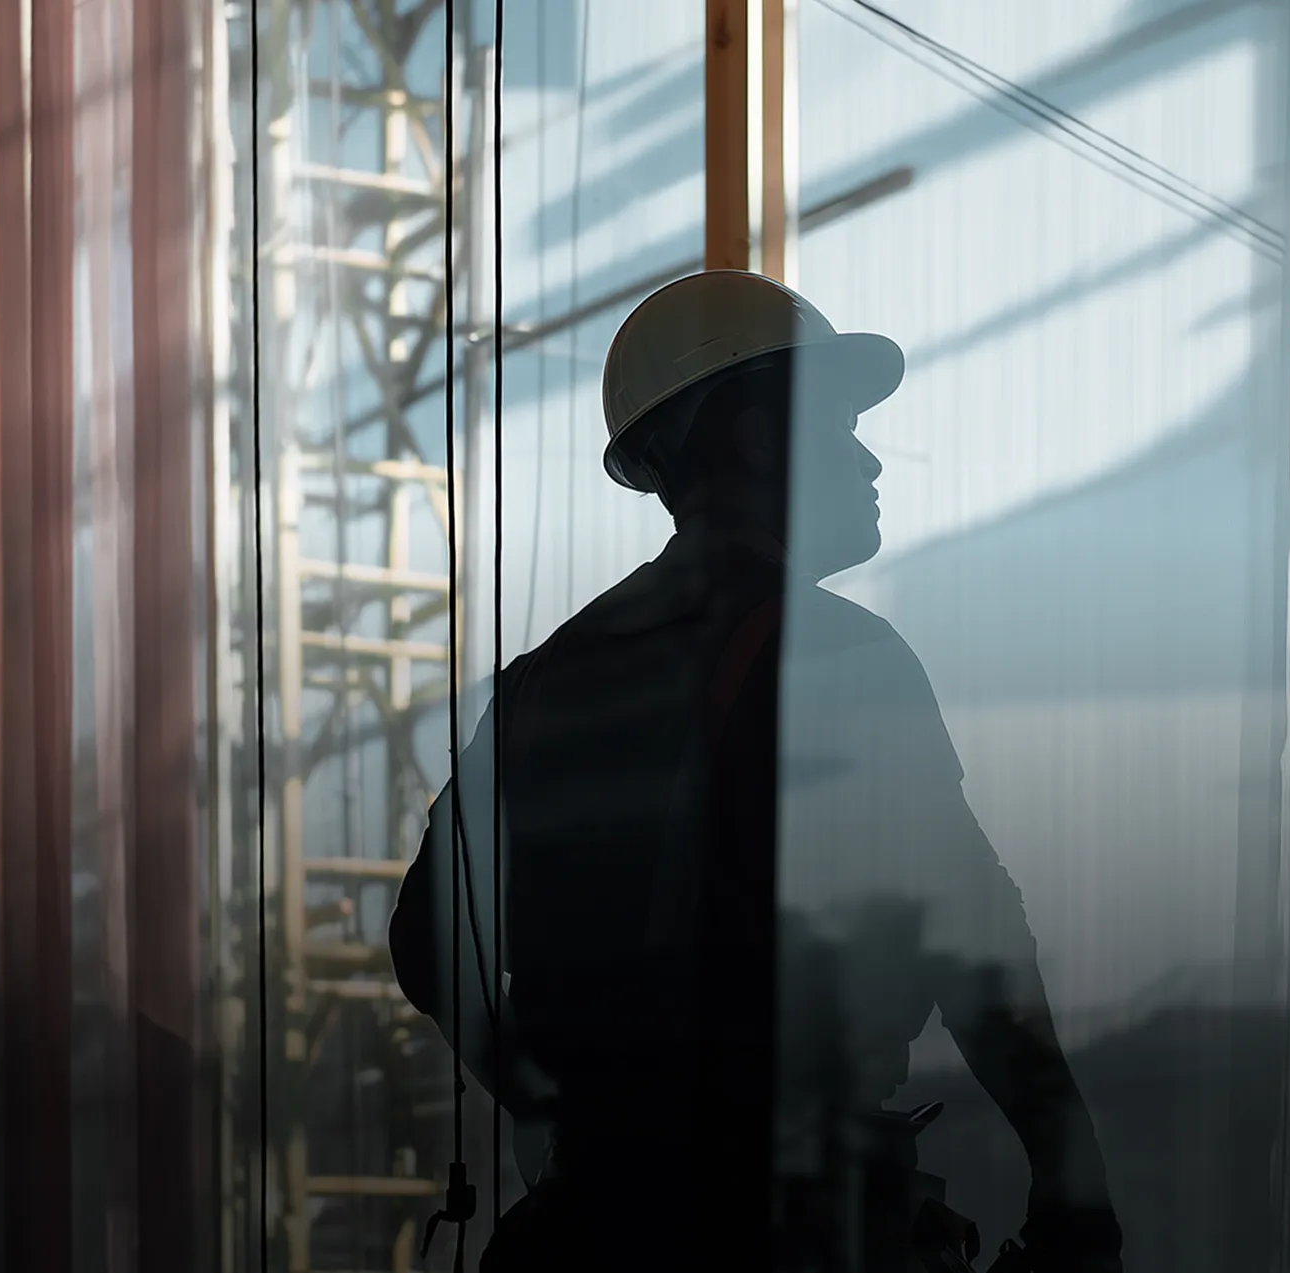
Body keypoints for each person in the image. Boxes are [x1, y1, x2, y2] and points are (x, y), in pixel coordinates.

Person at [388, 271, 1123, 1272]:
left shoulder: (543, 685)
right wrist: (1073, 1194)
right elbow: (973, 951)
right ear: (756, 437)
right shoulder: (830, 653)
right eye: (834, 423)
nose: (866, 456)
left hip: (590, 1225)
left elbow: (426, 943)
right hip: (790, 1227)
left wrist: (560, 1105)